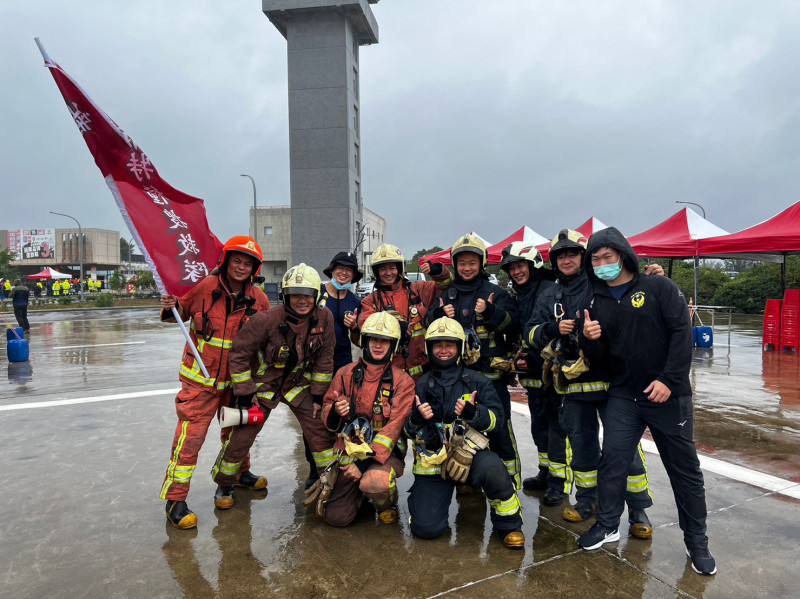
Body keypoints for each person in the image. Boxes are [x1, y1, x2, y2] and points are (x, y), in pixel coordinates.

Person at [577, 227, 716, 576]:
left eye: (608, 256)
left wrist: (669, 379)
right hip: (624, 393)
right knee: (613, 460)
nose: (602, 264)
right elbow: (603, 361)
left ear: (623, 255)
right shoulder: (596, 303)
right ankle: (608, 524)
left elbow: (681, 333)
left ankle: (696, 540)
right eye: (595, 259)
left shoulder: (658, 287)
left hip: (668, 395)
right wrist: (590, 341)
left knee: (683, 470)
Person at [525, 229, 654, 536]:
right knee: (581, 448)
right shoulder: (549, 294)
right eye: (560, 255)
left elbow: (638, 307)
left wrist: (650, 277)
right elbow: (529, 332)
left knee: (622, 448)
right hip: (571, 387)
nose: (566, 259)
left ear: (583, 257)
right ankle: (587, 502)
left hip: (612, 385)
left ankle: (637, 508)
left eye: (572, 253)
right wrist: (551, 327)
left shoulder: (603, 284)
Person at [159, 236, 270, 530]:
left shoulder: (260, 300)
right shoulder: (202, 288)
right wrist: (171, 304)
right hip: (201, 383)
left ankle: (235, 478)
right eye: (237, 260)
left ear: (254, 268)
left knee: (236, 436)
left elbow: (266, 342)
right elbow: (176, 315)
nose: (241, 267)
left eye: (248, 263)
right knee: (189, 441)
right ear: (226, 260)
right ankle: (176, 500)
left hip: (239, 383)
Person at [219, 263, 338, 510]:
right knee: (243, 435)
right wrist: (244, 392)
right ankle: (225, 484)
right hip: (264, 386)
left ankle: (331, 481)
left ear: (316, 295)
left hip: (298, 385)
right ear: (285, 295)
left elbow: (325, 356)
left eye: (307, 295)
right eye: (295, 294)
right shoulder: (266, 320)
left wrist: (318, 397)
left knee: (319, 430)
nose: (302, 300)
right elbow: (239, 354)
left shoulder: (324, 317)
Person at [405, 317, 524, 548]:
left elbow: (498, 422)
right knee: (426, 529)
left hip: (470, 457)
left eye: (449, 344)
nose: (443, 350)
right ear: (429, 348)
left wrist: (474, 413)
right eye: (438, 345)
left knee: (493, 468)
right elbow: (406, 432)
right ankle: (422, 505)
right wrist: (416, 420)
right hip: (432, 462)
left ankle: (509, 525)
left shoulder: (478, 382)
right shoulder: (418, 385)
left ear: (460, 348)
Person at [428, 234, 521, 488]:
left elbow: (513, 325)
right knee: (462, 428)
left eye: (472, 262)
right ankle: (468, 478)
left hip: (491, 379)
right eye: (462, 263)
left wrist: (491, 312)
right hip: (460, 380)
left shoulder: (495, 293)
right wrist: (438, 315)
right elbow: (430, 329)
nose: (467, 267)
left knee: (499, 428)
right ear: (454, 265)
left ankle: (509, 481)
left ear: (481, 264)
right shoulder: (447, 296)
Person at [315, 311, 415, 526]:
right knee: (336, 519)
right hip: (348, 454)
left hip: (384, 456)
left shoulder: (403, 382)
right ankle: (359, 495)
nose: (378, 345)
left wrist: (363, 466)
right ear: (364, 341)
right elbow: (327, 411)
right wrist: (334, 412)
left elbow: (394, 428)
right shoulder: (344, 374)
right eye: (373, 340)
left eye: (384, 341)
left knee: (375, 483)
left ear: (393, 345)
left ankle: (386, 502)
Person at [498, 242, 556, 492]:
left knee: (556, 426)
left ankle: (558, 481)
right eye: (511, 268)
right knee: (539, 424)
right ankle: (545, 472)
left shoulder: (549, 290)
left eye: (520, 265)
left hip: (552, 372)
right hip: (531, 372)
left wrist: (532, 356)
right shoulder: (520, 293)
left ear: (534, 264)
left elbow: (548, 330)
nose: (516, 271)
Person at [359, 243, 452, 380]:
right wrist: (394, 327)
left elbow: (446, 285)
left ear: (400, 268)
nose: (388, 273)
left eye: (392, 268)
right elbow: (365, 325)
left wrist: (437, 270)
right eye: (383, 269)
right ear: (376, 272)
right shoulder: (370, 301)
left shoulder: (418, 289)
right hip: (388, 375)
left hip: (423, 372)